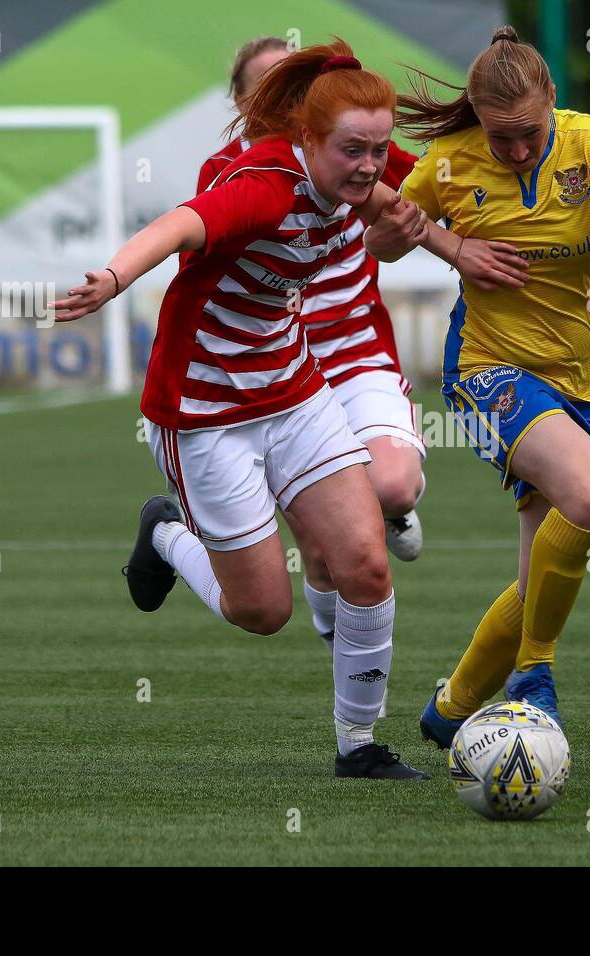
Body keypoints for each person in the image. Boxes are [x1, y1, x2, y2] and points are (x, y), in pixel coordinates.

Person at [50, 39, 428, 780]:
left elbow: (399, 206)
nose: (370, 166)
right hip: (203, 411)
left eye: (379, 150)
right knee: (262, 611)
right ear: (306, 139)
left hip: (293, 390)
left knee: (365, 564)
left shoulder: (358, 180)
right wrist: (113, 278)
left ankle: (359, 746)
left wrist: (431, 237)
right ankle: (163, 532)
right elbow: (183, 225)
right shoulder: (266, 187)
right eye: (354, 150)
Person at [361, 26, 590, 746]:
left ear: (553, 99)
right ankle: (534, 678)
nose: (513, 150)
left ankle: (450, 707)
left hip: (582, 380)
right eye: (499, 137)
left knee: (538, 580)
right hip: (488, 371)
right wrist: (450, 243)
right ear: (478, 119)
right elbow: (381, 239)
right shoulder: (450, 162)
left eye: (527, 134)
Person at [194, 38, 428, 717]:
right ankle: (356, 707)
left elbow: (424, 195)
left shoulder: (352, 151)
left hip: (352, 351)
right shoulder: (234, 174)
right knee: (324, 559)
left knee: (388, 484)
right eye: (269, 89)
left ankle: (398, 506)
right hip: (281, 375)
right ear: (244, 103)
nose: (290, 103)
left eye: (297, 89)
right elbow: (198, 247)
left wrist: (446, 241)